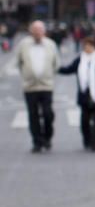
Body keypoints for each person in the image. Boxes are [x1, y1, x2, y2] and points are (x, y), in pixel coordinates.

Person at [57, 36, 95, 152]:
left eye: (89, 46)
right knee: (84, 120)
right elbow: (70, 69)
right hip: (84, 94)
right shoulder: (80, 59)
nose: (87, 48)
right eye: (85, 46)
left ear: (94, 47)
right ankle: (87, 140)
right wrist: (56, 68)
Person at [15, 20, 61, 153]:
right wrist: (26, 75)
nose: (37, 33)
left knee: (48, 113)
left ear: (44, 31)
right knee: (33, 115)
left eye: (40, 30)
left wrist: (48, 76)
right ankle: (37, 141)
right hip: (30, 86)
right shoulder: (23, 44)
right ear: (31, 31)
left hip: (46, 86)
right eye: (35, 30)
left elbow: (56, 64)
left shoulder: (50, 44)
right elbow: (19, 62)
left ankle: (47, 136)